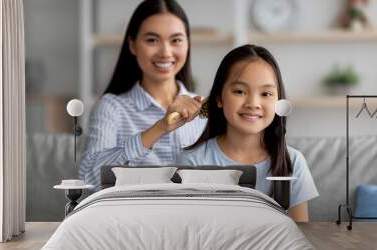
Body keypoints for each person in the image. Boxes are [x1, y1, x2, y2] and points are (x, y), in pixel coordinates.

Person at [177, 44, 318, 222]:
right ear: (219, 98)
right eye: (239, 91)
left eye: (266, 93)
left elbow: (300, 233)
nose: (253, 103)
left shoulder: (293, 162)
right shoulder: (192, 162)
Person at [79, 0, 206, 186]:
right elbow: (89, 179)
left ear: (187, 44)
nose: (165, 52)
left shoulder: (205, 110)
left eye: (176, 40)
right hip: (132, 213)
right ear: (132, 45)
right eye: (152, 40)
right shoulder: (111, 107)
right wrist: (161, 127)